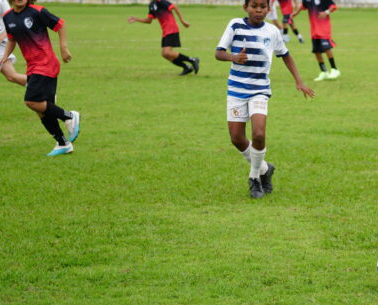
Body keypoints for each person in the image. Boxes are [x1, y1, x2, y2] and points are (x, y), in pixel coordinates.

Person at [216, 0, 315, 198]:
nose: (259, 10)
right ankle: (264, 169)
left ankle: (254, 178)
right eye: (254, 6)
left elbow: (286, 55)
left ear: (269, 9)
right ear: (246, 7)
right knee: (236, 138)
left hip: (260, 89)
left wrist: (299, 81)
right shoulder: (235, 25)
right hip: (236, 90)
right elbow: (218, 53)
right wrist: (234, 57)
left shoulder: (272, 31)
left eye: (263, 6)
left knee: (259, 134)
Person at [1, 0, 81, 156]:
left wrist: (63, 47)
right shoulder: (8, 17)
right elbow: (12, 38)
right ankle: (63, 143)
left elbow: (60, 24)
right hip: (32, 66)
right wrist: (5, 56)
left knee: (31, 101)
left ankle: (70, 116)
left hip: (46, 63)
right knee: (43, 109)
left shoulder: (37, 11)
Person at [128, 0, 199, 76]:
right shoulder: (152, 5)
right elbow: (149, 20)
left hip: (172, 29)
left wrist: (182, 21)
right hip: (165, 31)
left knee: (167, 52)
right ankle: (186, 67)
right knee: (165, 54)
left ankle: (192, 60)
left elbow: (175, 6)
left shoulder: (160, 1)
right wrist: (136, 19)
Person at [293, 0, 339, 81]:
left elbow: (333, 6)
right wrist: (296, 13)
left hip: (324, 29)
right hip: (314, 31)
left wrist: (326, 12)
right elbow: (303, 6)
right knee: (317, 51)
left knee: (327, 48)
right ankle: (324, 71)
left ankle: (334, 69)